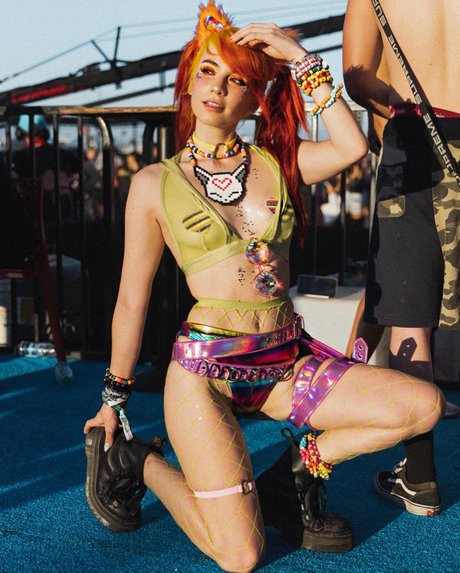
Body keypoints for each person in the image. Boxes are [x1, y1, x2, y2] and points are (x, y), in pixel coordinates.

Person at [83, 3, 444, 571]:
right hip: (205, 376)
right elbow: (133, 297)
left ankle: (298, 469)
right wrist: (113, 399)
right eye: (207, 71)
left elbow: (353, 147)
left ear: (254, 99)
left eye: (238, 80)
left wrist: (300, 58)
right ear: (188, 81)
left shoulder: (278, 162)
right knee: (242, 555)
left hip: (284, 366)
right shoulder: (154, 183)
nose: (218, 87)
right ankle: (139, 461)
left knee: (422, 405)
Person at [343, 0, 460, 517]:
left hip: (414, 139)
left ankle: (420, 476)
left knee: (408, 313)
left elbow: (356, 76)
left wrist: (399, 103)